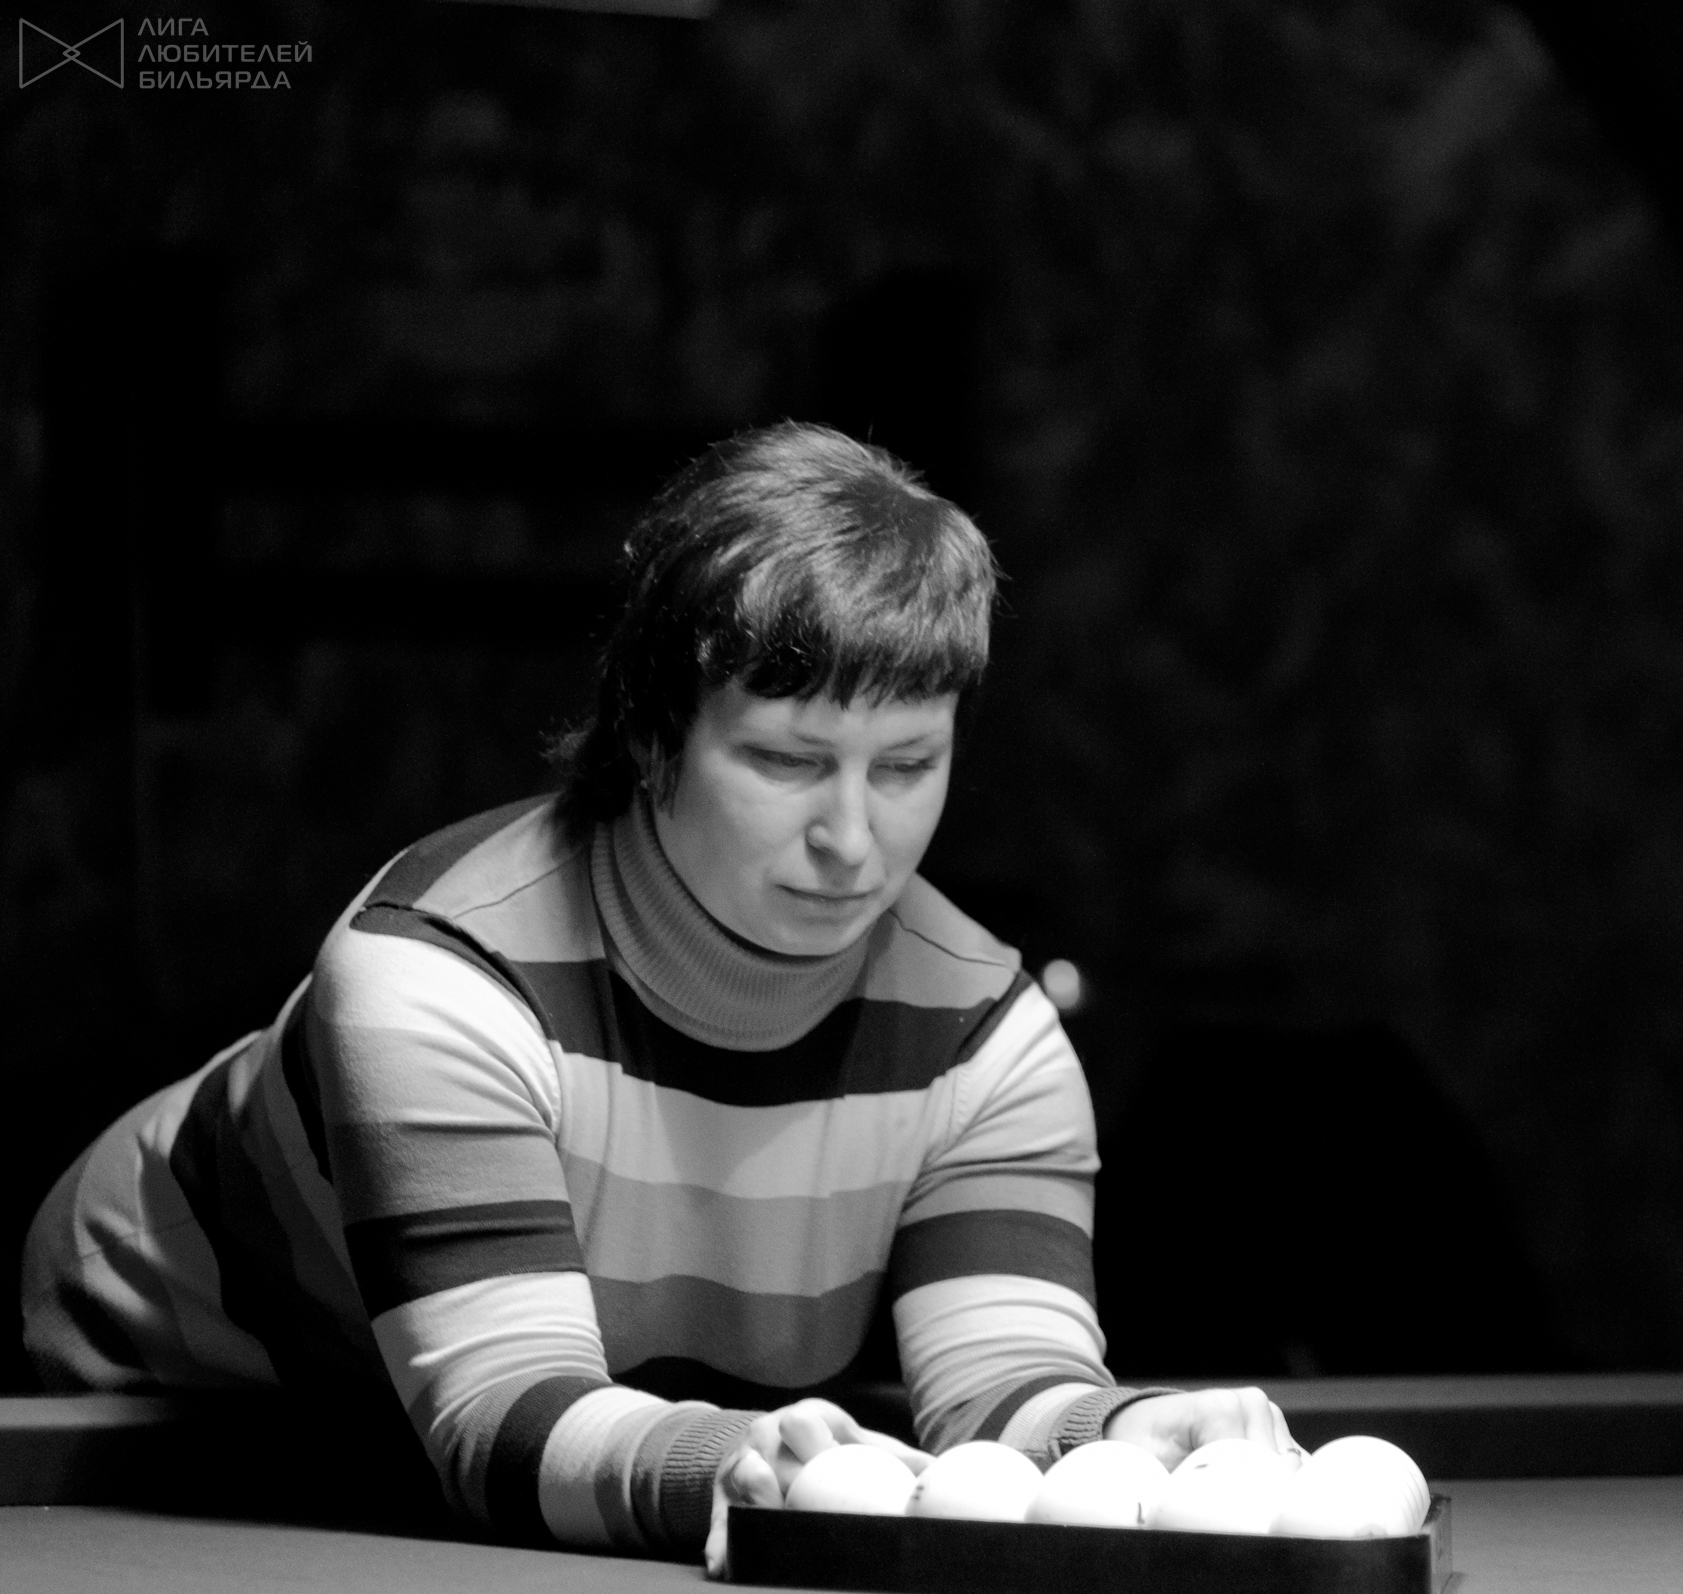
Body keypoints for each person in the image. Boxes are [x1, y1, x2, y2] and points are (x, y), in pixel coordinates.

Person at [20, 422, 1294, 1571]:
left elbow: (1001, 1383)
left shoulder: (989, 1037)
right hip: (175, 1375)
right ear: (649, 732)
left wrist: (1123, 1434)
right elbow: (502, 1406)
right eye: (786, 761)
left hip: (549, 1407)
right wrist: (720, 1459)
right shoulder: (436, 977)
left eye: (907, 763)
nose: (854, 839)